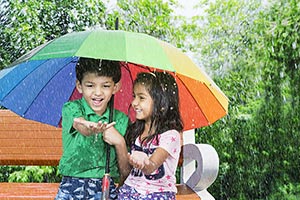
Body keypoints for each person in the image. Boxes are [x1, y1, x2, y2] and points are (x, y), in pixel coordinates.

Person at [55, 58, 129, 200]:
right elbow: (78, 123)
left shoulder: (121, 120)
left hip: (105, 187)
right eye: (90, 85)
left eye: (105, 86)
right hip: (70, 186)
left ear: (116, 87)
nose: (98, 93)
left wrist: (120, 142)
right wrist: (89, 126)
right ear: (79, 85)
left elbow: (125, 172)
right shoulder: (71, 108)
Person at [117, 71, 184, 200]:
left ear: (161, 105)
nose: (134, 103)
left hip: (158, 194)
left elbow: (151, 167)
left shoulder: (170, 136)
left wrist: (144, 161)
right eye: (134, 96)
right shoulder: (137, 131)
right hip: (130, 189)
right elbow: (128, 172)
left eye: (141, 98)